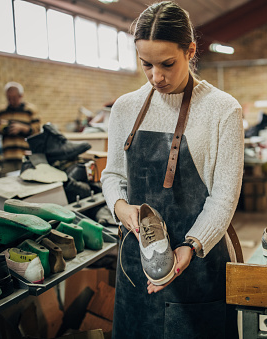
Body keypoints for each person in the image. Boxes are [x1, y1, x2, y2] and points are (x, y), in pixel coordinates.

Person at [100, 2, 243, 338]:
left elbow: (224, 197)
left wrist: (191, 246)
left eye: (167, 64)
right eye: (146, 65)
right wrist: (121, 208)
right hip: (138, 265)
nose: (156, 77)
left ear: (190, 51)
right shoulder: (125, 108)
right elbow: (113, 176)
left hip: (198, 264)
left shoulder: (222, 110)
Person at [0, 82, 41, 174]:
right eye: (9, 98)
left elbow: (37, 131)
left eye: (14, 98)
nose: (11, 101)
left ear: (21, 96)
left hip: (26, 155)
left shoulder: (30, 110)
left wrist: (23, 128)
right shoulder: (2, 112)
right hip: (8, 156)